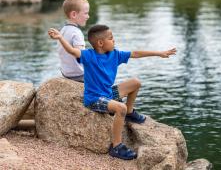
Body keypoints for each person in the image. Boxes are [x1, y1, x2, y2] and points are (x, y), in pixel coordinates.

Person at [48, 24, 176, 160]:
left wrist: (159, 53)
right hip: (94, 99)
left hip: (108, 94)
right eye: (111, 38)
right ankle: (116, 146)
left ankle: (130, 112)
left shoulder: (115, 54)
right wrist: (60, 37)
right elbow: (73, 51)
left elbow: (135, 53)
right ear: (101, 43)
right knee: (121, 108)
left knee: (135, 83)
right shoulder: (89, 56)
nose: (114, 40)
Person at [58, 0, 90, 82]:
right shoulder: (76, 32)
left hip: (66, 73)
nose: (88, 16)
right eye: (86, 13)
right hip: (79, 74)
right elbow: (80, 55)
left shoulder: (62, 30)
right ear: (74, 14)